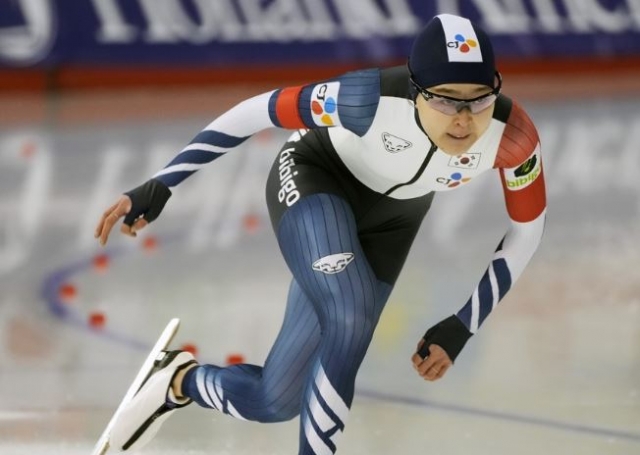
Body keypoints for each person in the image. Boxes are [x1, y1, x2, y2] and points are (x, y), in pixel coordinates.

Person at [94, 13, 546, 454]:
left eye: (480, 99)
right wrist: (162, 184)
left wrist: (464, 324)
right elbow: (257, 111)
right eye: (446, 100)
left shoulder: (514, 138)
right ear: (414, 92)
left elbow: (526, 233)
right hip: (317, 178)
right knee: (351, 313)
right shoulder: (366, 99)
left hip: (395, 222)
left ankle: (178, 381)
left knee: (277, 400)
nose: (464, 119)